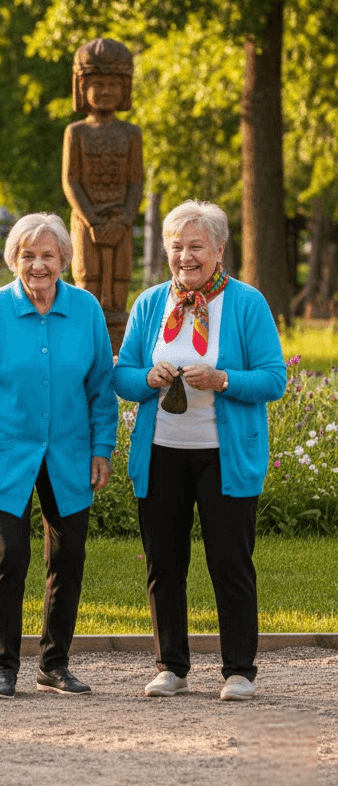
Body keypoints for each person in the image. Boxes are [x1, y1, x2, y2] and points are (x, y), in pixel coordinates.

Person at [112, 201, 285, 701]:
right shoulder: (149, 304)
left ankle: (239, 670)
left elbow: (274, 378)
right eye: (176, 247)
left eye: (196, 247)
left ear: (218, 250)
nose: (185, 256)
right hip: (162, 450)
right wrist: (147, 377)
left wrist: (223, 379)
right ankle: (171, 666)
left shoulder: (247, 303)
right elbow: (122, 376)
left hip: (224, 455)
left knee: (230, 561)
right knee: (163, 561)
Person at [0, 213, 117, 699]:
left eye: (47, 255)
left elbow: (101, 390)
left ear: (64, 259)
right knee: (11, 557)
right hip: (5, 454)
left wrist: (102, 448)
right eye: (28, 256)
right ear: (14, 260)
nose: (38, 265)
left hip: (70, 454)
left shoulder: (85, 310)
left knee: (68, 559)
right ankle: (4, 668)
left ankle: (54, 664)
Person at [61, 36, 144, 352]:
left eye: (113, 83)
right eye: (98, 84)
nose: (106, 91)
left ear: (125, 87)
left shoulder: (130, 133)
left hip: (119, 219)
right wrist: (93, 219)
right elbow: (71, 182)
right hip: (87, 218)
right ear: (82, 88)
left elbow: (136, 183)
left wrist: (123, 220)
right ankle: (87, 339)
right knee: (88, 275)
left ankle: (117, 340)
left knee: (120, 277)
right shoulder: (76, 132)